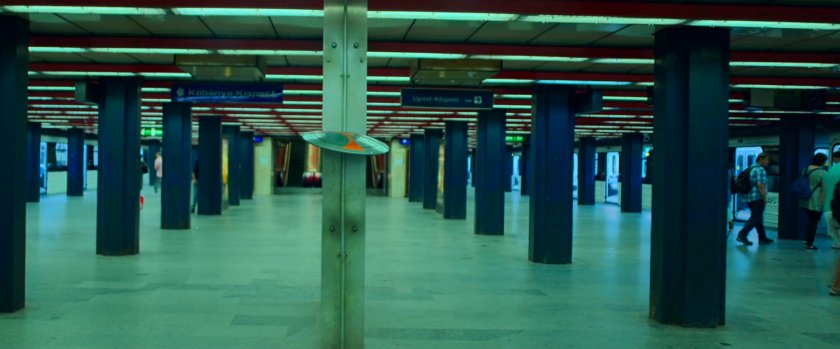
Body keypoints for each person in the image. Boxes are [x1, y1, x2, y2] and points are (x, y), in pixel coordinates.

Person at [736, 153, 774, 246]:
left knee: (758, 217)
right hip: (757, 197)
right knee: (756, 217)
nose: (768, 162)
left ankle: (762, 237)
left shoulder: (751, 168)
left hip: (749, 197)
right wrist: (765, 198)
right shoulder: (760, 169)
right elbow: (760, 185)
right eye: (767, 160)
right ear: (760, 159)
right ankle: (742, 234)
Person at [799, 153, 828, 251]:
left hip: (804, 200)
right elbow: (824, 190)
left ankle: (807, 240)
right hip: (815, 202)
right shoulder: (822, 173)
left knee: (810, 221)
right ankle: (809, 244)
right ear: (823, 161)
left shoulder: (806, 169)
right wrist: (823, 204)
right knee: (813, 223)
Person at [822, 152, 840, 249]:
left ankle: (838, 243)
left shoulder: (830, 170)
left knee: (833, 229)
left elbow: (824, 190)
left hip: (829, 206)